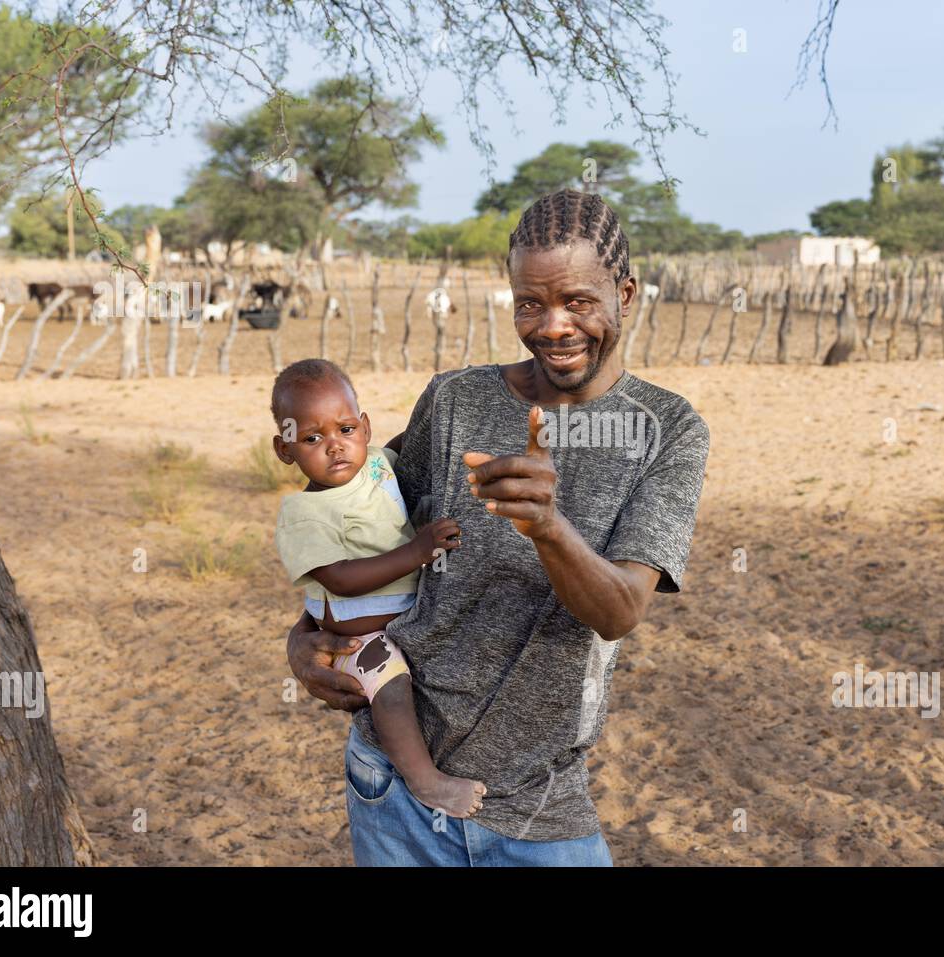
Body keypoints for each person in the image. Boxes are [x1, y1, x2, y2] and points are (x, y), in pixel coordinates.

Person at [288, 188, 709, 866]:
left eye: (579, 301)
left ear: (626, 294)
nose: (553, 326)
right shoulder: (455, 399)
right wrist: (303, 637)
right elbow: (352, 519)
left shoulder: (667, 431)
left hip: (541, 804)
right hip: (394, 784)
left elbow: (620, 610)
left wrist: (548, 526)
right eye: (530, 304)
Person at [271, 358, 485, 818]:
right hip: (359, 639)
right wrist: (417, 552)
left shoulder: (377, 466)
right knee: (391, 690)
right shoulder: (303, 515)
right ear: (284, 449)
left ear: (365, 427)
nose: (335, 447)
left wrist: (457, 398)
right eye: (312, 438)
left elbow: (413, 440)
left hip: (405, 621)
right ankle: (425, 780)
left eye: (346, 429)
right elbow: (340, 578)